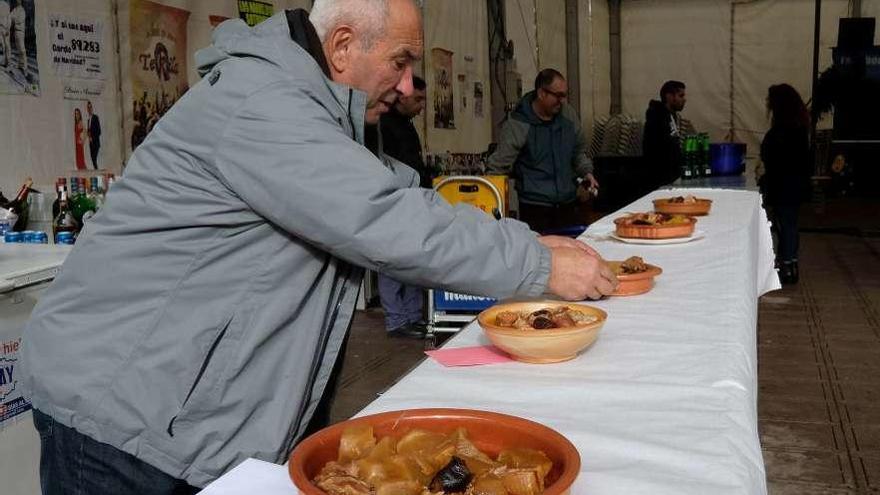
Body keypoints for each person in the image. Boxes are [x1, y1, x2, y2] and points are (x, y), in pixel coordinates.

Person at [21, 1, 617, 493]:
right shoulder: (264, 103)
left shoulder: (305, 112)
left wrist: (521, 238)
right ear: (341, 46)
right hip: (121, 418)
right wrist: (540, 262)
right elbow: (384, 218)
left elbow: (391, 193)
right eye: (401, 62)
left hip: (174, 407)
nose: (409, 84)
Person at [487, 68, 598, 233]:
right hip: (535, 210)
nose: (562, 101)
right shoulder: (518, 124)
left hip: (568, 206)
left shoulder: (569, 116)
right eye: (558, 96)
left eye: (564, 95)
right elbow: (498, 166)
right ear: (541, 93)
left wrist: (587, 172)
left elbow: (578, 152)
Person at [377, 75, 429, 337]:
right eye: (418, 99)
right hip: (394, 201)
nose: (422, 106)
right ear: (403, 95)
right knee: (392, 263)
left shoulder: (406, 125)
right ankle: (397, 320)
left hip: (413, 200)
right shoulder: (382, 124)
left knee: (412, 262)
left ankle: (411, 315)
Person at [760, 83, 811, 285]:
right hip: (793, 185)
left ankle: (787, 265)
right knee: (789, 224)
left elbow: (771, 155)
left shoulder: (783, 131)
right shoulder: (798, 127)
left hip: (783, 185)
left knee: (786, 225)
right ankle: (789, 263)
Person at [643, 80, 687, 187]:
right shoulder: (656, 116)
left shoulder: (672, 116)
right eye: (680, 96)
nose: (684, 100)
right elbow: (655, 148)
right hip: (661, 178)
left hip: (672, 176)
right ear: (669, 96)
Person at [87, 100, 101, 170]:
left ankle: (97, 170)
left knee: (94, 158)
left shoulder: (96, 117)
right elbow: (88, 130)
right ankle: (96, 170)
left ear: (92, 108)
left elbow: (99, 131)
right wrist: (88, 135)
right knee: (93, 158)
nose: (89, 109)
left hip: (96, 142)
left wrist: (92, 136)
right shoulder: (88, 120)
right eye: (88, 108)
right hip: (91, 142)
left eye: (90, 107)